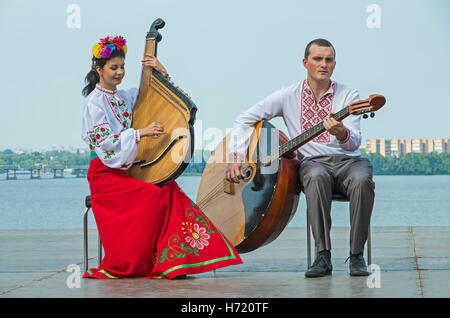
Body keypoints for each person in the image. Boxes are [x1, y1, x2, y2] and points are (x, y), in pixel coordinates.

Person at [81, 35, 242, 279]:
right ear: (98, 69)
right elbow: (105, 142)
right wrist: (140, 133)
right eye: (113, 68)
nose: (119, 72)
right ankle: (146, 262)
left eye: (122, 67)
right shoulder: (94, 102)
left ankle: (177, 262)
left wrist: (161, 73)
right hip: (106, 175)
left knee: (168, 188)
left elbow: (158, 98)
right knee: (154, 195)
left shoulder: (125, 96)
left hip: (128, 170)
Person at [226, 38, 374, 277]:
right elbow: (245, 118)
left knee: (362, 179)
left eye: (328, 60)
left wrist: (341, 132)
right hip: (313, 164)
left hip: (349, 162)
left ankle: (357, 255)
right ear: (305, 63)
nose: (323, 64)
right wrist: (236, 157)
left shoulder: (350, 95)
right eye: (317, 59)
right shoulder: (288, 95)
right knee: (315, 176)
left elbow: (354, 142)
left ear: (334, 65)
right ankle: (322, 256)